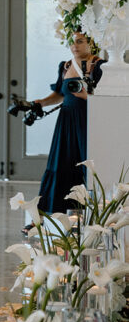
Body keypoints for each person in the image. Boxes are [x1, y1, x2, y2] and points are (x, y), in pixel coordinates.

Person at [35, 31, 104, 215]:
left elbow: (104, 98)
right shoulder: (65, 66)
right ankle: (48, 213)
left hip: (87, 121)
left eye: (80, 42)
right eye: (72, 42)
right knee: (60, 163)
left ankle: (92, 214)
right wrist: (41, 102)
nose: (75, 46)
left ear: (91, 43)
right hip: (66, 121)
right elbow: (59, 94)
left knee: (87, 163)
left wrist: (85, 94)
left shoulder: (99, 65)